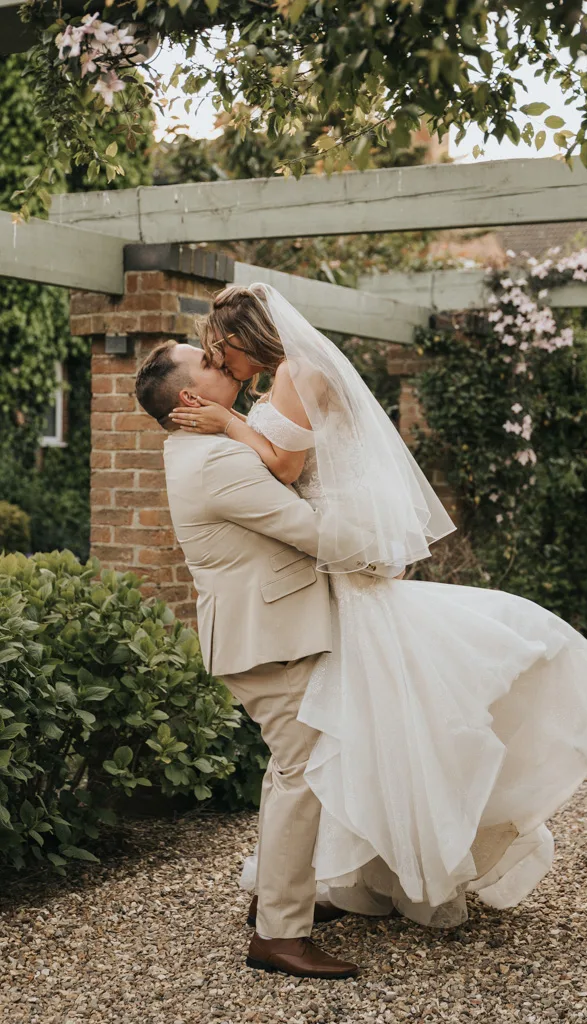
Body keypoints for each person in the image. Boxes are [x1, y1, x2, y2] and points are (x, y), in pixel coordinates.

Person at [167, 282, 587, 930]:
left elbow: (281, 467)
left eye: (222, 355)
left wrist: (226, 423)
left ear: (246, 336)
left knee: (366, 729)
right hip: (323, 569)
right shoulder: (289, 374)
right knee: (359, 731)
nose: (223, 367)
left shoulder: (297, 374)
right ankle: (346, 877)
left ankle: (367, 873)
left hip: (335, 553)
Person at [135, 340, 400, 980]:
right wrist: (386, 548)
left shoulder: (213, 444)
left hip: (270, 629)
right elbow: (308, 529)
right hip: (268, 638)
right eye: (206, 360)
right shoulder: (215, 462)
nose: (219, 359)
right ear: (190, 397)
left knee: (298, 766)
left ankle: (281, 897)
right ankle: (279, 934)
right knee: (302, 769)